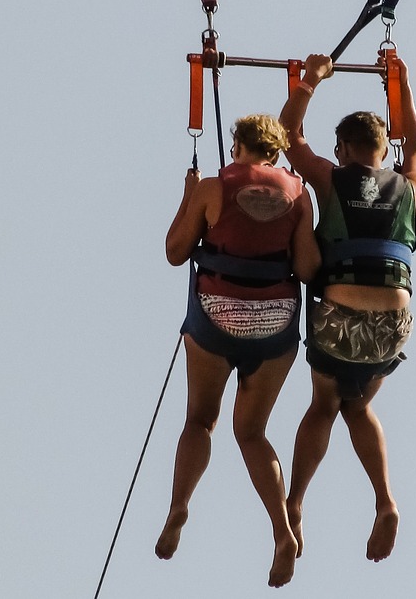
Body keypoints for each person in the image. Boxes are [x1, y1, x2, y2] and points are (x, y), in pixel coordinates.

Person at [160, 113, 321, 589]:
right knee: (251, 433)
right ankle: (281, 532)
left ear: (238, 148)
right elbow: (309, 268)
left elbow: (174, 251)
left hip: (217, 318)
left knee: (199, 421)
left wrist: (188, 198)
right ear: (275, 152)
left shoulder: (213, 188)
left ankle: (179, 506)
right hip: (274, 327)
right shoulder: (299, 195)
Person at [277, 52, 416, 563]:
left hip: (339, 319)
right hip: (393, 325)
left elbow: (288, 137)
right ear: (384, 149)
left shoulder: (330, 178)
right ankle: (385, 500)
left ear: (342, 149)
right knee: (358, 404)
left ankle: (294, 502)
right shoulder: (410, 186)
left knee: (324, 405)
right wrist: (401, 86)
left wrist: (310, 81)